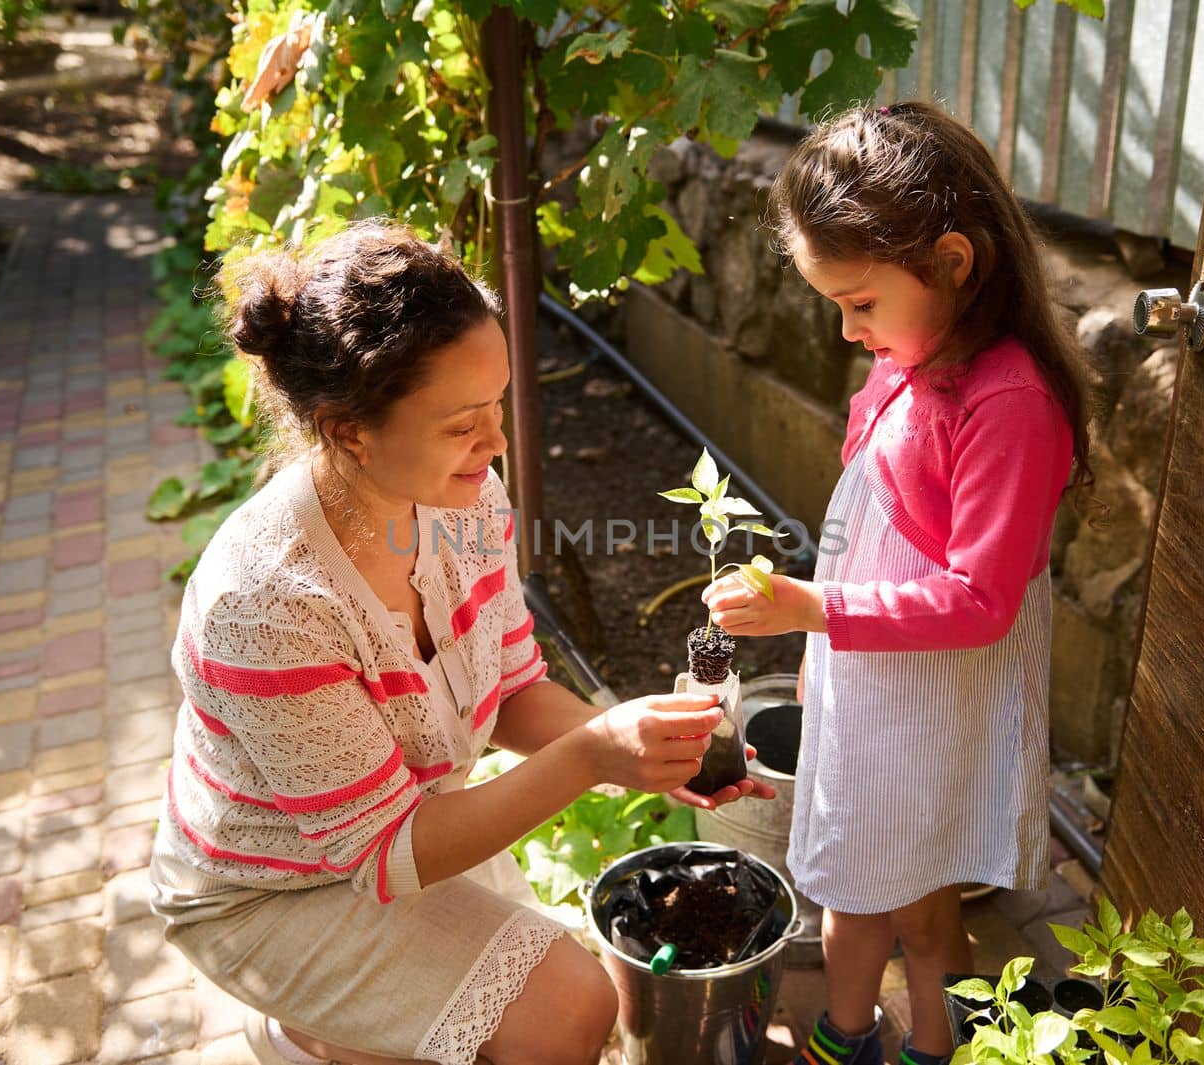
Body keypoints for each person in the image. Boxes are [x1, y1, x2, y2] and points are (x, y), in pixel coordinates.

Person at [147, 220, 772, 1065]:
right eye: (462, 422)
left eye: (498, 406)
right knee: (568, 1009)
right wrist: (592, 753)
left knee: (519, 1019)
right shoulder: (263, 604)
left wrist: (652, 741)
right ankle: (309, 1031)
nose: (499, 443)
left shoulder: (466, 500)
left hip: (391, 829)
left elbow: (512, 687)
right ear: (348, 431)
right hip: (264, 888)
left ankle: (337, 1037)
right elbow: (386, 854)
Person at [701, 102, 1093, 1065]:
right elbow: (876, 520)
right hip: (874, 683)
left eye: (861, 302)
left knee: (888, 893)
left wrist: (814, 609)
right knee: (876, 886)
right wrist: (814, 630)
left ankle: (901, 1043)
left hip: (926, 706)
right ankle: (859, 1031)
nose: (846, 330)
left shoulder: (1011, 404)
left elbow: (979, 600)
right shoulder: (911, 361)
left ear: (954, 263)